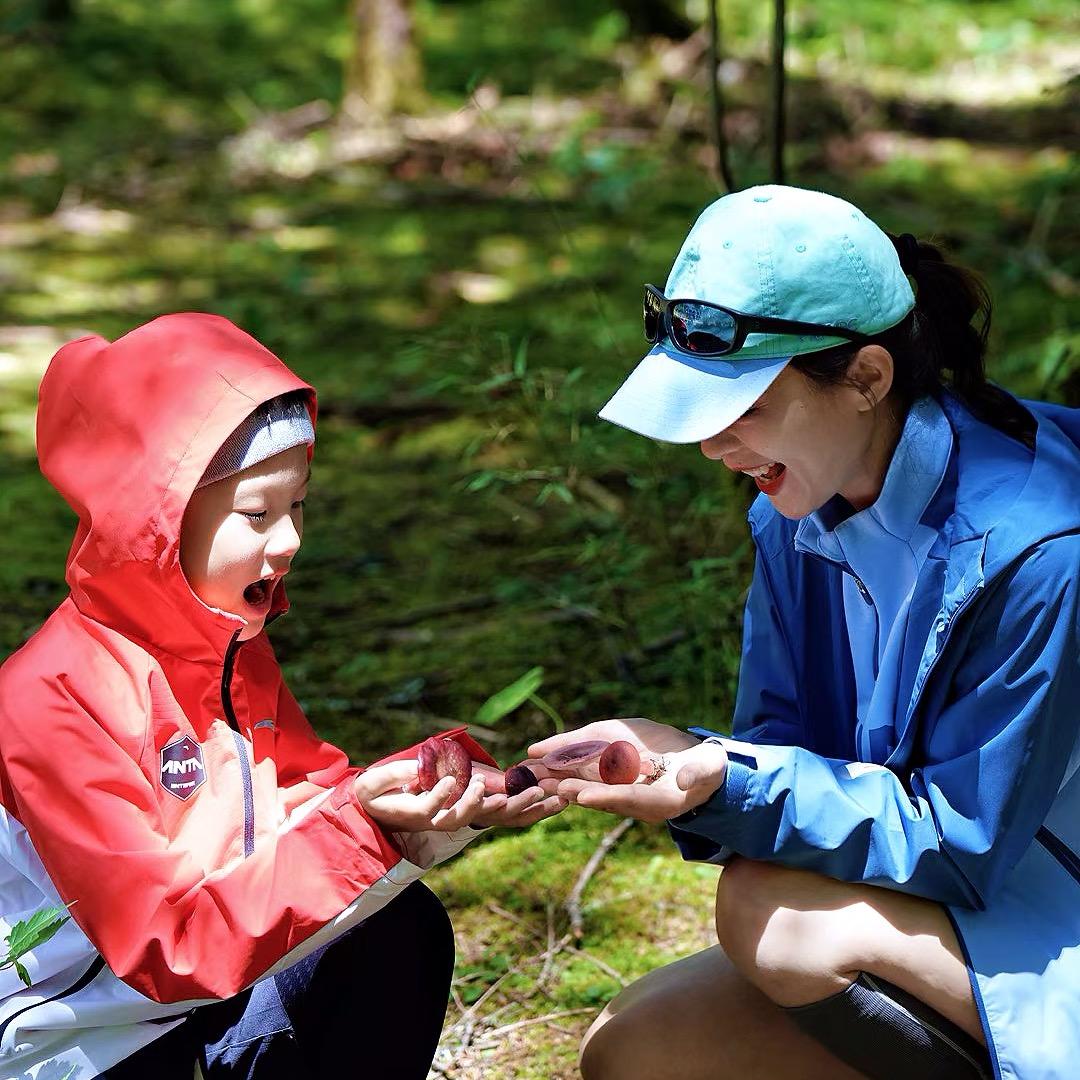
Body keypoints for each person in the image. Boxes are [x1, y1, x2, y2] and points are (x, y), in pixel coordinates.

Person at [529, 185, 1080, 1080]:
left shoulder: (1041, 549)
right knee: (633, 1050)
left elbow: (961, 842)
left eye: (742, 409)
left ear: (867, 378)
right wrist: (687, 768)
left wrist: (730, 784)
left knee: (774, 922)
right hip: (957, 907)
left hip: (1036, 906)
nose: (713, 447)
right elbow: (786, 748)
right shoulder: (795, 509)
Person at [0, 312, 565, 1079]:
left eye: (297, 506)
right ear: (156, 523)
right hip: (81, 1040)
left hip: (201, 1005)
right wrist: (370, 835)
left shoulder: (226, 645)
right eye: (257, 514)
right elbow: (163, 944)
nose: (291, 538)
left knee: (397, 931)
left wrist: (414, 801)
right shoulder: (52, 697)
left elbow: (302, 797)